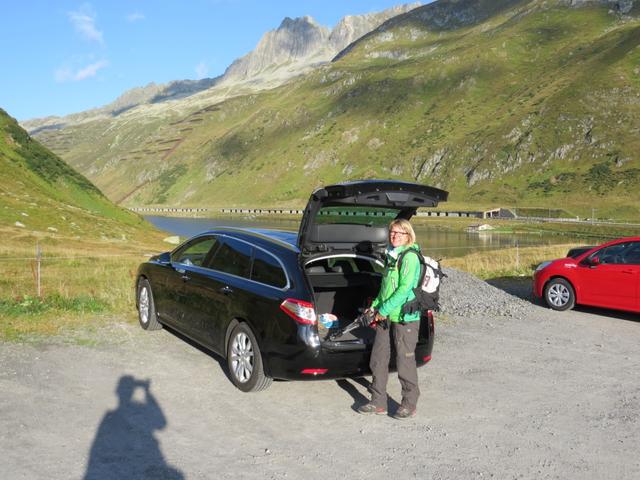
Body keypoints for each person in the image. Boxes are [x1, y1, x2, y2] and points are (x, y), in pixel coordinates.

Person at [358, 218, 423, 419]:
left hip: (405, 317)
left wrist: (383, 309)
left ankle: (409, 404)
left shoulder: (410, 257)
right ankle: (378, 402)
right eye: (392, 232)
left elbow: (404, 290)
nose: (394, 236)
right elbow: (385, 288)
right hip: (385, 315)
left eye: (399, 233)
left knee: (405, 361)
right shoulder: (391, 256)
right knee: (378, 359)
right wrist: (375, 306)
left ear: (408, 235)